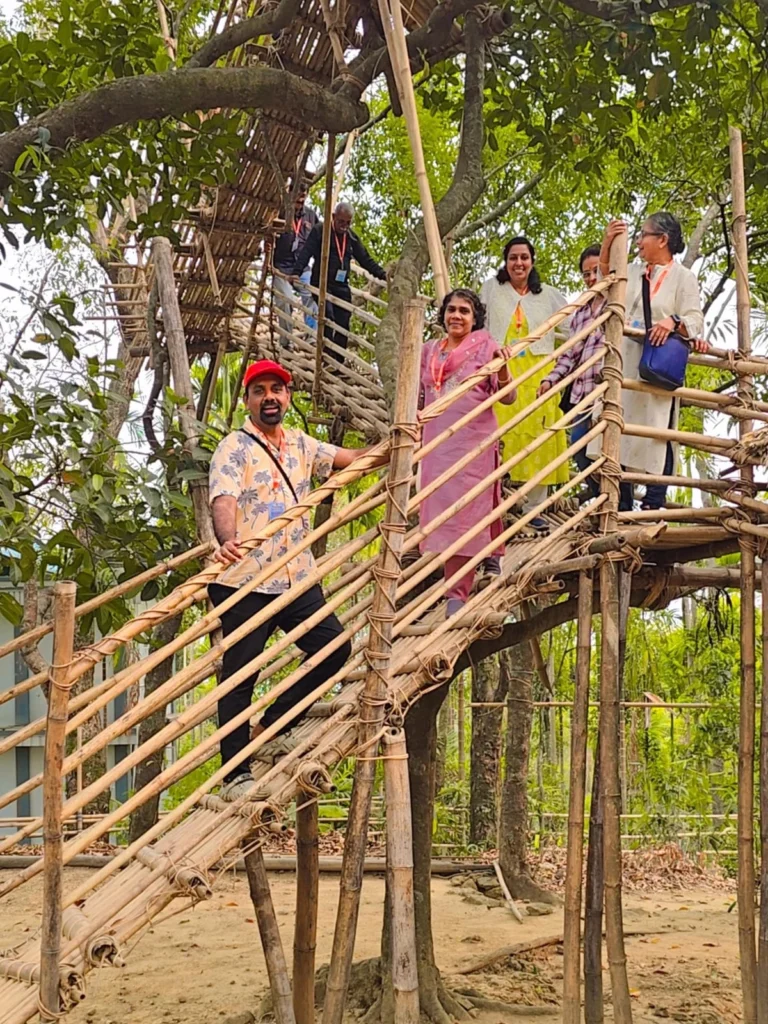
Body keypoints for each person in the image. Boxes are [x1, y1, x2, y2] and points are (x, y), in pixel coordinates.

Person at [208, 359, 376, 800]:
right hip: (246, 577)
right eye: (260, 390)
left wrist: (397, 440)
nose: (270, 398)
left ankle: (273, 725)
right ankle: (235, 774)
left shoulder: (301, 444)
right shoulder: (234, 448)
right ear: (247, 400)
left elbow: (351, 460)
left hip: (295, 575)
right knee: (240, 675)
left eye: (277, 391)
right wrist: (226, 539)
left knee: (333, 648)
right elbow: (223, 498)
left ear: (287, 398)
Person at [419, 288, 516, 617]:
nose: (456, 316)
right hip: (436, 445)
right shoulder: (428, 351)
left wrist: (502, 369)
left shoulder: (486, 347)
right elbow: (418, 397)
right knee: (447, 512)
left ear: (475, 319)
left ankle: (456, 594)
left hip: (472, 440)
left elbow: (509, 397)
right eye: (451, 310)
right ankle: (488, 555)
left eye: (464, 311)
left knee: (469, 511)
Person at [599, 213, 705, 510]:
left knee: (656, 432)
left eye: (643, 235)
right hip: (624, 360)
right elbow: (604, 278)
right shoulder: (631, 271)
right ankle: (618, 505)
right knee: (618, 429)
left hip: (654, 366)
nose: (638, 242)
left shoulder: (683, 277)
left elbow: (695, 320)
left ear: (663, 239)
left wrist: (672, 322)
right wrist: (608, 242)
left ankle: (653, 504)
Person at [480, 237, 570, 531]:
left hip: (539, 369)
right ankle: (492, 504)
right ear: (505, 261)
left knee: (539, 434)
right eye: (513, 258)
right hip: (502, 367)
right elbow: (479, 325)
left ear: (532, 261)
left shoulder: (549, 295)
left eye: (524, 258)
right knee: (496, 433)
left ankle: (534, 508)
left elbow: (573, 324)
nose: (519, 263)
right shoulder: (492, 289)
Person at [537, 244, 605, 493]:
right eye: (586, 274)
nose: (591, 278)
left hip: (607, 390)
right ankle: (598, 494)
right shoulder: (581, 312)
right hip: (581, 392)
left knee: (610, 448)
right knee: (579, 445)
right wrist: (551, 379)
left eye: (596, 271)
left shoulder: (621, 304)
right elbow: (569, 353)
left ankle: (620, 503)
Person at [292, 201, 386, 359]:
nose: (344, 226)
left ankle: (338, 360)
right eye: (341, 222)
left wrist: (383, 274)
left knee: (343, 321)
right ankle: (326, 356)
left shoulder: (351, 237)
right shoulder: (320, 231)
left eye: (348, 223)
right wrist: (296, 273)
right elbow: (305, 253)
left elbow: (365, 259)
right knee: (328, 316)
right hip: (321, 283)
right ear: (334, 217)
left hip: (341, 285)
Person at [270, 185, 318, 341]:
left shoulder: (310, 216)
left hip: (301, 267)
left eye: (304, 195)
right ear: (290, 193)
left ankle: (312, 336)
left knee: (312, 293)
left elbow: (320, 239)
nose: (300, 198)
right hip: (281, 267)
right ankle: (286, 340)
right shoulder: (278, 213)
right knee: (285, 299)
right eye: (297, 194)